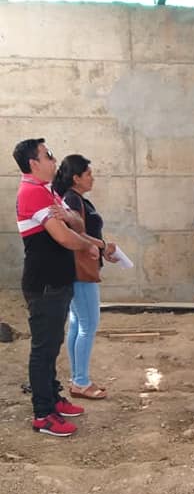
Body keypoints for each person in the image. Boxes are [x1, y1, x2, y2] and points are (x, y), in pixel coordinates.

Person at [13, 138, 103, 436]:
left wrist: (70, 219)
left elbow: (76, 223)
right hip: (44, 284)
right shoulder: (32, 192)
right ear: (33, 163)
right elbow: (64, 236)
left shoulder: (48, 190)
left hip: (57, 282)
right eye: (48, 155)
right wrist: (88, 246)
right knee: (44, 349)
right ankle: (43, 414)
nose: (54, 160)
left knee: (53, 345)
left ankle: (53, 398)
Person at [52, 155, 118, 400]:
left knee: (78, 323)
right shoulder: (72, 200)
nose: (92, 177)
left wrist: (102, 247)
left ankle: (77, 377)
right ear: (76, 178)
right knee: (88, 324)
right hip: (80, 270)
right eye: (88, 174)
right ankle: (80, 382)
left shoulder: (76, 199)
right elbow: (74, 234)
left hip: (76, 268)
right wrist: (102, 245)